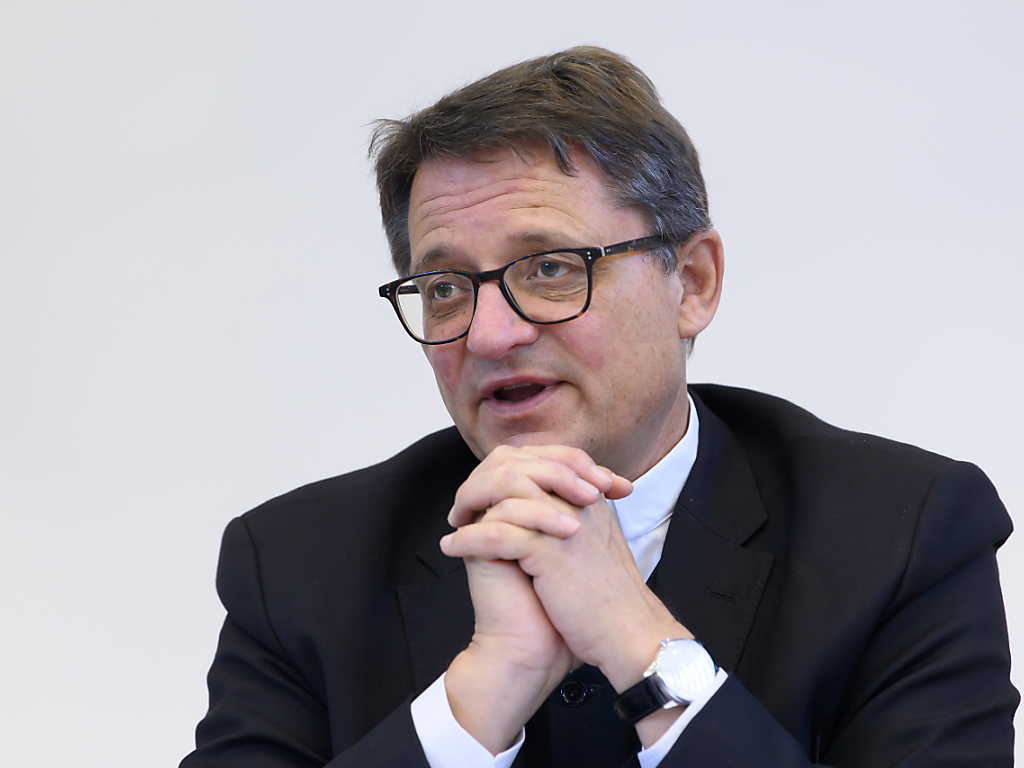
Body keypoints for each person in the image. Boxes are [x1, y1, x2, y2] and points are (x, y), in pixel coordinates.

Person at [181, 47, 1017, 767]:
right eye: (445, 287)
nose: (491, 334)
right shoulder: (294, 567)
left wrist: (639, 641)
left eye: (550, 268)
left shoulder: (902, 536)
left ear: (693, 283)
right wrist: (479, 696)